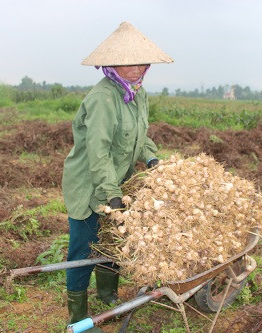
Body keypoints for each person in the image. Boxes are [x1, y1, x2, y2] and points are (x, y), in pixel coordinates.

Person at [61, 21, 173, 329]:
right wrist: (112, 193)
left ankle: (108, 294)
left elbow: (140, 136)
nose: (136, 68)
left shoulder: (137, 94)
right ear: (113, 63)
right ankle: (77, 314)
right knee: (83, 248)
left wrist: (152, 159)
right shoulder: (103, 98)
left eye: (141, 62)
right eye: (129, 62)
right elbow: (98, 152)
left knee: (112, 240)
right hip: (89, 185)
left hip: (115, 183)